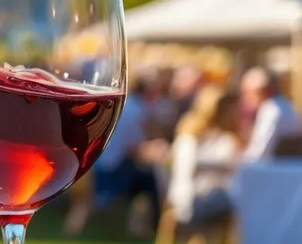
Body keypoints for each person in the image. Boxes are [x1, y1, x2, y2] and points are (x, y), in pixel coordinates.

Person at [92, 80, 161, 234]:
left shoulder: (124, 104)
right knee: (151, 181)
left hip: (99, 161)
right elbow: (134, 148)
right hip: (115, 166)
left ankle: (111, 210)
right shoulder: (139, 110)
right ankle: (154, 226)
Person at [169, 87, 240, 225]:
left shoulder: (223, 136)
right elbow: (187, 168)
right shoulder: (190, 137)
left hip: (206, 197)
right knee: (242, 205)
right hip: (193, 199)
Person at [239, 67, 302, 161]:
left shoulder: (271, 110)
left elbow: (260, 152)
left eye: (247, 92)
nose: (246, 98)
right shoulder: (286, 105)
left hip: (275, 169)